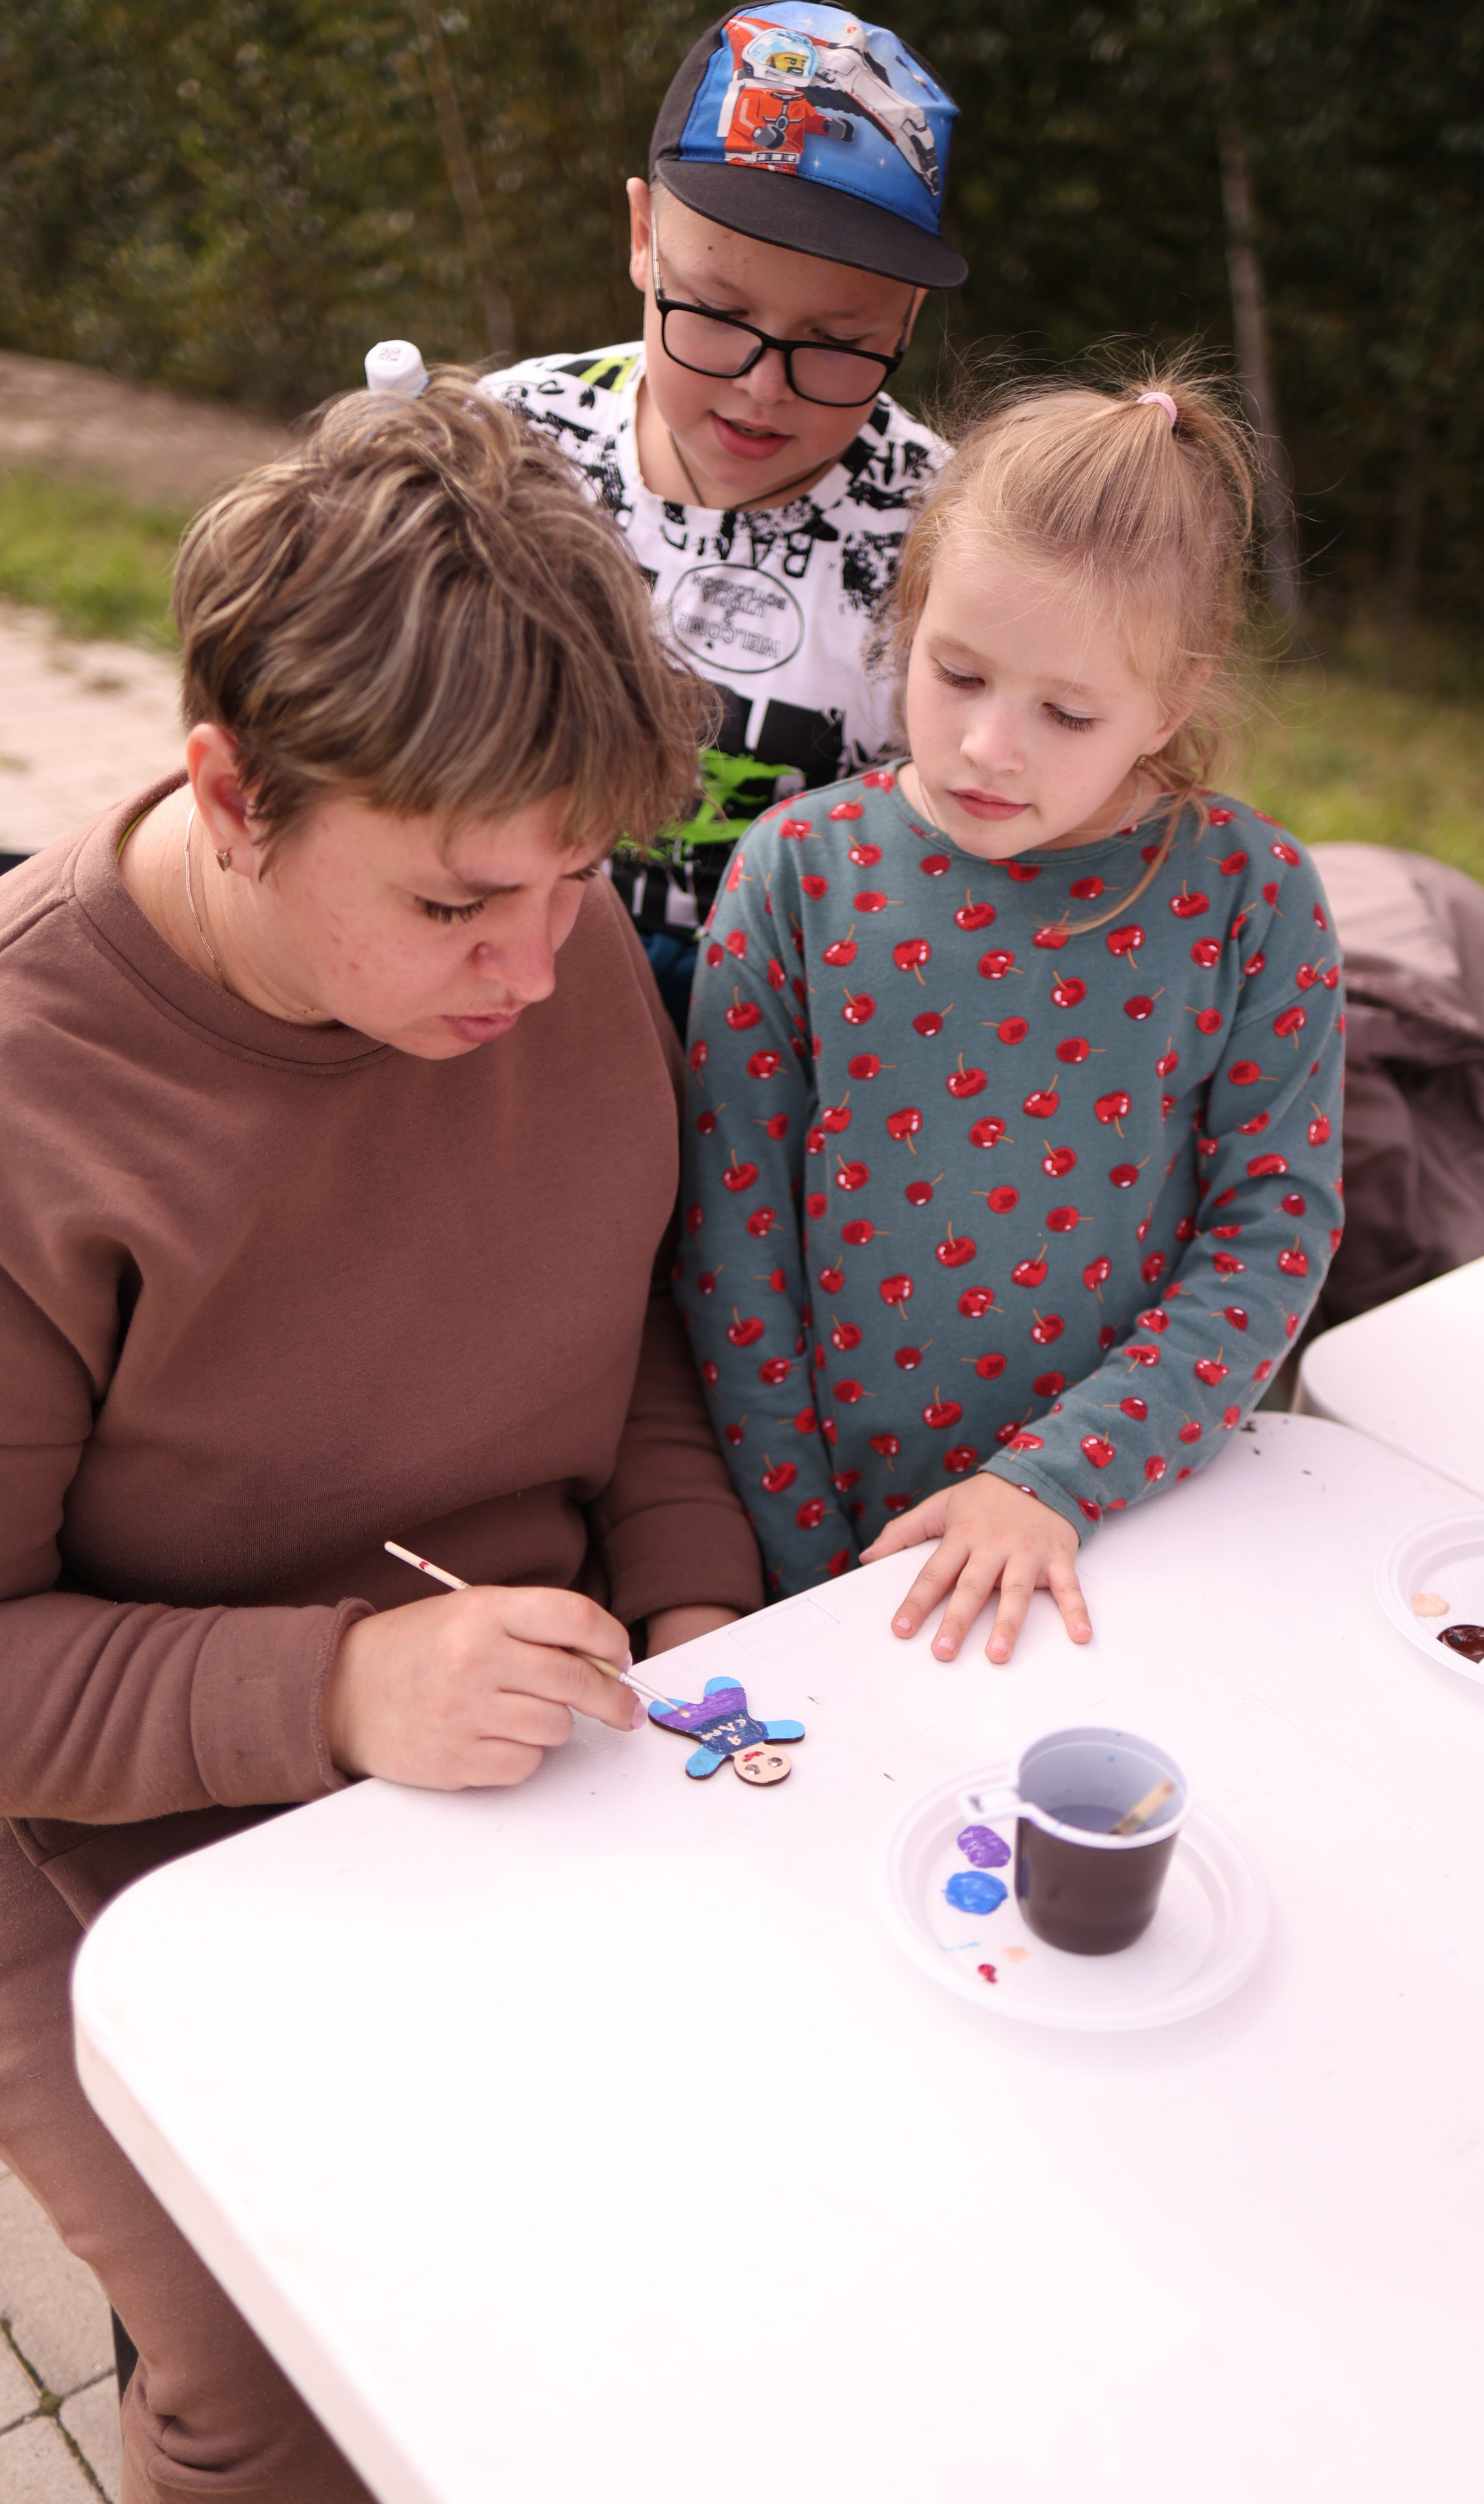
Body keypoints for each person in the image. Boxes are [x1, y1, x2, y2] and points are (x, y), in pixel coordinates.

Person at [0, 377, 761, 2503]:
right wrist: (335, 1690)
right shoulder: (33, 1095)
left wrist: (699, 1601)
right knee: (295, 2373)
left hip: (529, 1731)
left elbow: (629, 1320)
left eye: (579, 879)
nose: (534, 966)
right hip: (103, 1831)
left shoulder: (550, 945)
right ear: (231, 793)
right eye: (452, 907)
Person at [674, 368, 1347, 1657]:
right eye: (958, 673)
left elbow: (1271, 1230)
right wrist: (815, 1570)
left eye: (1066, 712)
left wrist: (1056, 1478)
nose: (990, 745)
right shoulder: (797, 875)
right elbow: (731, 1253)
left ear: (1174, 699)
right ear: (909, 615)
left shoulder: (1250, 896)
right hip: (835, 1568)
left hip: (1123, 1538)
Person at [483, 3, 964, 1031]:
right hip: (511, 973)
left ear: (909, 319)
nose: (761, 388)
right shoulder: (507, 447)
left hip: (798, 1017)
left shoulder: (952, 534)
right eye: (717, 313)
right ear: (643, 240)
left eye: (838, 343)